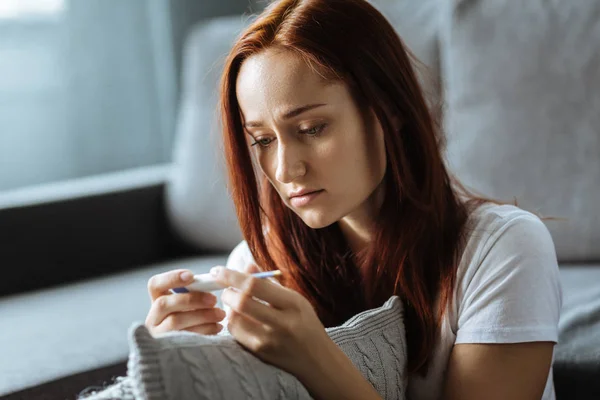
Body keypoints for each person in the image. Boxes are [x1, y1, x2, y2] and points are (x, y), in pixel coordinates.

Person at [144, 0, 563, 399]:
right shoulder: (256, 266)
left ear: (387, 110)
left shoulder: (505, 250)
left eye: (311, 128)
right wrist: (182, 366)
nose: (286, 170)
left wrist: (317, 360)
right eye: (263, 140)